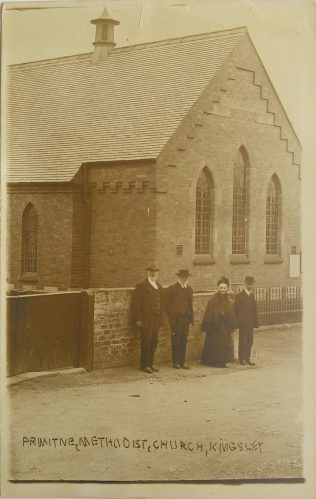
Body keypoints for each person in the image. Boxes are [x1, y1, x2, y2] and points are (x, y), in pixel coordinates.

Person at [132, 263, 164, 373]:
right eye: (151, 271)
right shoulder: (142, 286)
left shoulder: (159, 286)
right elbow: (136, 304)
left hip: (156, 319)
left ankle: (151, 363)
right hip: (146, 319)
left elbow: (162, 303)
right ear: (148, 272)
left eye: (155, 271)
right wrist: (138, 319)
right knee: (146, 341)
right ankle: (144, 365)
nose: (153, 273)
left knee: (154, 341)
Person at [201, 277, 236, 368]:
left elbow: (231, 313)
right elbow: (209, 313)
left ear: (227, 289)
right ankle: (214, 361)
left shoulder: (228, 301)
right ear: (218, 288)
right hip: (215, 327)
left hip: (224, 327)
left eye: (224, 288)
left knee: (224, 344)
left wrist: (230, 322)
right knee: (214, 344)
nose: (222, 290)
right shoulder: (213, 300)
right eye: (221, 288)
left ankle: (222, 361)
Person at [165, 269, 194, 369]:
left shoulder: (189, 289)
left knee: (184, 340)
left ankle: (182, 361)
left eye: (186, 277)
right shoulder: (172, 289)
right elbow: (167, 305)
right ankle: (176, 362)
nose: (184, 278)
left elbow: (190, 305)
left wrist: (191, 318)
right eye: (182, 277)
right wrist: (172, 318)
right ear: (178, 277)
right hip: (176, 320)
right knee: (176, 340)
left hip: (186, 319)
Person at [234, 275, 259, 366]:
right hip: (243, 323)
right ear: (245, 284)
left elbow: (254, 310)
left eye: (251, 284)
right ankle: (241, 359)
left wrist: (255, 323)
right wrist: (238, 323)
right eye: (248, 284)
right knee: (243, 341)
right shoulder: (239, 296)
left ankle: (248, 358)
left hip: (250, 323)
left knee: (250, 341)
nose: (250, 286)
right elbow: (236, 310)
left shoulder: (252, 296)